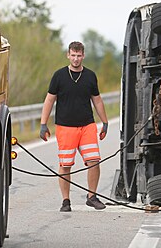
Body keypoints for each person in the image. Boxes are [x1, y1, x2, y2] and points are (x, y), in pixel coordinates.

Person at [39, 41, 109, 212]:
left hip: (87, 126)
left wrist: (105, 122)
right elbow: (49, 99)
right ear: (68, 55)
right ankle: (66, 201)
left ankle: (91, 196)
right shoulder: (59, 76)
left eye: (79, 55)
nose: (76, 59)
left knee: (94, 161)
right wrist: (43, 124)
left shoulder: (90, 76)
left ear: (83, 56)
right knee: (66, 164)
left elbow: (97, 100)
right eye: (73, 55)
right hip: (65, 127)